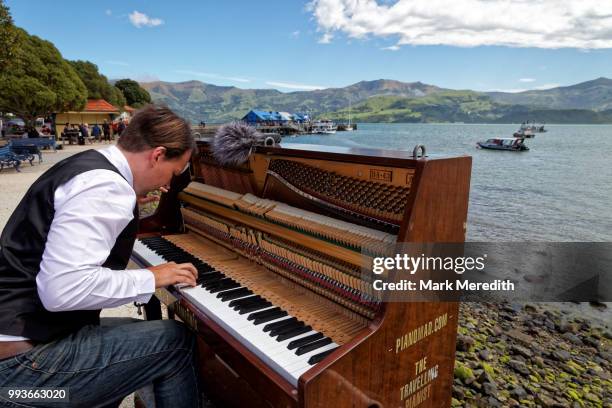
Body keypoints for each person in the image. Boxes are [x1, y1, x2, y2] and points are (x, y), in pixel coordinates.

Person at [0, 105, 200, 407]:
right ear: (158, 155)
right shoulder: (106, 187)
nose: (168, 185)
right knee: (175, 341)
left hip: (20, 346)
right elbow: (63, 290)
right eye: (174, 173)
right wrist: (152, 276)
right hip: (20, 381)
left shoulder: (89, 167)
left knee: (137, 336)